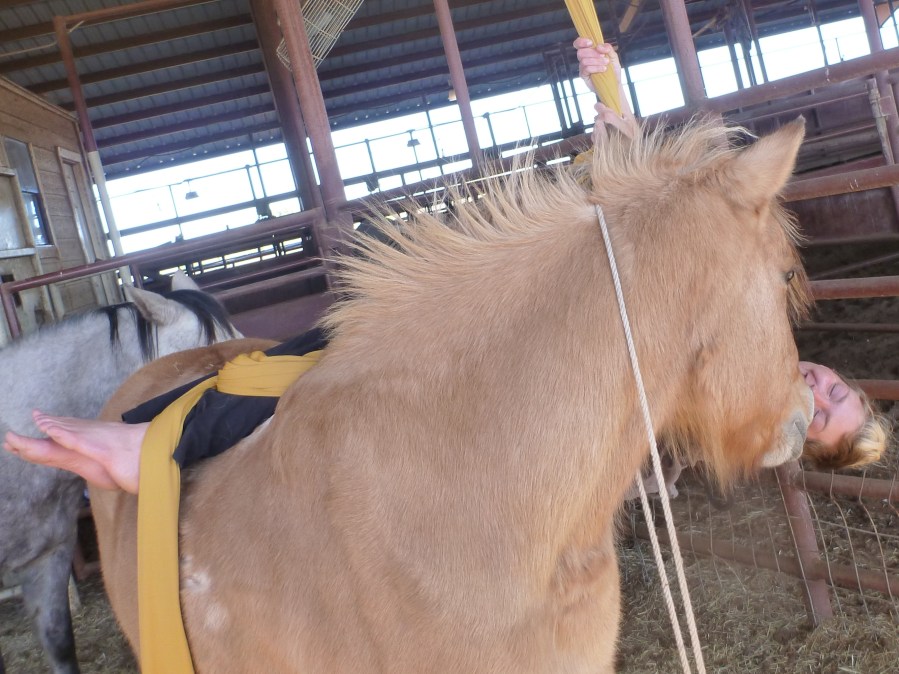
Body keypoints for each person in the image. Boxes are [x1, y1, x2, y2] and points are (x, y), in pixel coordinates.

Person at [2, 41, 890, 493]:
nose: (817, 393)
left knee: (359, 363)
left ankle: (161, 447)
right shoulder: (761, 321)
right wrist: (612, 98)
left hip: (541, 389)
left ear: (807, 444)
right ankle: (163, 435)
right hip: (550, 325)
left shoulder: (764, 423)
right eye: (837, 391)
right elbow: (658, 215)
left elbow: (738, 392)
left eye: (823, 417)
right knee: (342, 346)